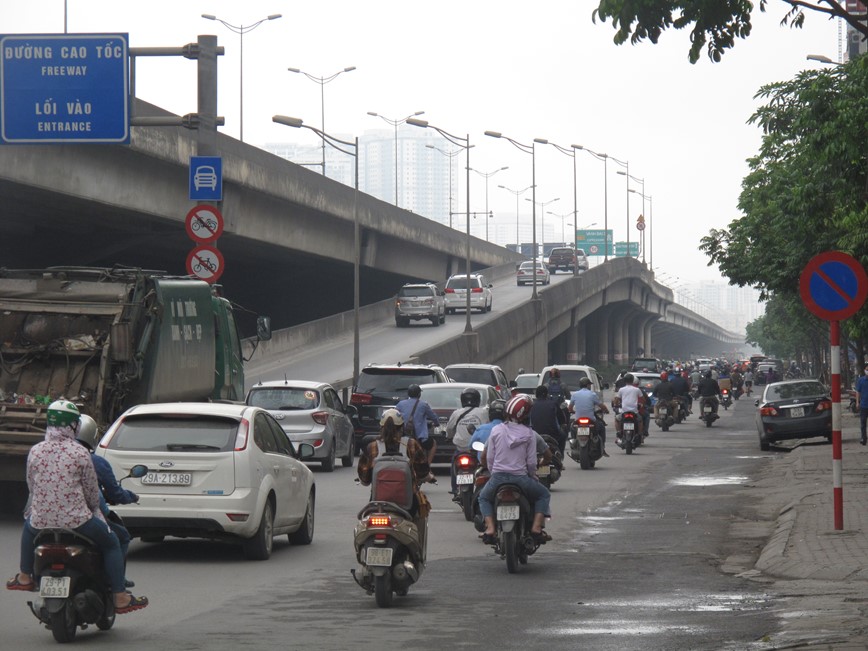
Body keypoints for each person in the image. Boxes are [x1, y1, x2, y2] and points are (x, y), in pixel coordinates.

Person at [6, 400, 148, 614]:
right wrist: (95, 512)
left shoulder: (35, 451)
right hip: (78, 521)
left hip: (41, 521)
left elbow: (31, 485)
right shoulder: (81, 454)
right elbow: (92, 492)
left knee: (28, 527)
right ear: (74, 426)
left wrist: (37, 510)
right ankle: (119, 596)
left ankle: (25, 576)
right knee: (111, 543)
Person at [477, 395, 552, 545]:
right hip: (521, 479)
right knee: (544, 494)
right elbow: (531, 462)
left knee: (483, 498)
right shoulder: (529, 434)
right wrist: (533, 476)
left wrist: (494, 473)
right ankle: (536, 528)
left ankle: (490, 529)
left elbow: (490, 457)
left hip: (497, 478)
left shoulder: (496, 430)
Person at [76, 415, 138, 588]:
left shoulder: (42, 453)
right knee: (117, 539)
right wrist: (131, 497)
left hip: (42, 519)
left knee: (30, 533)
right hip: (81, 518)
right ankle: (117, 586)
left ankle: (25, 576)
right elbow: (98, 497)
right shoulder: (91, 461)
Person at [357, 408, 431, 521]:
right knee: (419, 519)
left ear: (381, 427)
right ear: (402, 427)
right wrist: (426, 477)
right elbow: (422, 471)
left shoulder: (372, 447)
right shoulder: (411, 444)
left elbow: (365, 478)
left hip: (378, 504)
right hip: (408, 506)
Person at [445, 388, 489, 495]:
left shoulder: (456, 413)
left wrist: (448, 437)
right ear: (478, 400)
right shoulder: (483, 412)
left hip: (461, 449)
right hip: (477, 450)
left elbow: (449, 429)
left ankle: (455, 489)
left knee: (454, 462)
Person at [395, 384, 439, 475]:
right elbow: (433, 417)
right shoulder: (424, 404)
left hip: (403, 438)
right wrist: (436, 424)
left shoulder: (400, 404)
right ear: (419, 394)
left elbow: (395, 415)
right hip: (420, 438)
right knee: (433, 444)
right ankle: (427, 466)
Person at [568, 377, 609, 455]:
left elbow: (570, 408)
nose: (590, 386)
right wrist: (606, 411)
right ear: (587, 385)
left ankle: (574, 443)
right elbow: (601, 406)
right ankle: (602, 447)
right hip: (591, 420)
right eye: (589, 384)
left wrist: (573, 411)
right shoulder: (592, 394)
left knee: (572, 428)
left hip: (578, 421)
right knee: (602, 428)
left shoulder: (575, 394)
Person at [529, 385, 568, 454]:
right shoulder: (553, 404)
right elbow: (562, 420)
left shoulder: (532, 405)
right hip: (553, 434)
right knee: (563, 436)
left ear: (536, 395)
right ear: (547, 394)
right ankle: (560, 455)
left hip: (536, 434)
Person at [613, 373, 644, 440]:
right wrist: (641, 404)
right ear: (632, 380)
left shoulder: (621, 389)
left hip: (624, 412)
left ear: (625, 380)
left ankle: (618, 432)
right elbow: (642, 400)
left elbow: (616, 400)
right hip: (634, 412)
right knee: (640, 420)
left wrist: (616, 405)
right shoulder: (637, 389)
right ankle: (639, 434)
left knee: (617, 419)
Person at [857, 365, 868, 446]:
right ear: (864, 370)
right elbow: (858, 392)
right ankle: (863, 438)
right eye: (867, 369)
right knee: (863, 423)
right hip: (863, 405)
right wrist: (857, 402)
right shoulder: (861, 380)